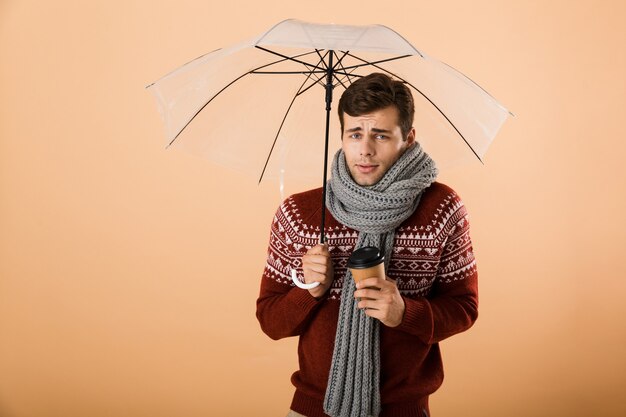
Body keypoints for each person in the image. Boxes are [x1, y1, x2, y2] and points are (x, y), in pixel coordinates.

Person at [256, 73, 478, 417]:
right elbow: (270, 322)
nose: (365, 149)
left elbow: (464, 308)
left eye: (381, 135)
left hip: (404, 409)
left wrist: (406, 313)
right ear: (341, 135)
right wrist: (308, 289)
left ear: (408, 138)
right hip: (313, 408)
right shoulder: (300, 213)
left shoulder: (442, 208)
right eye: (355, 134)